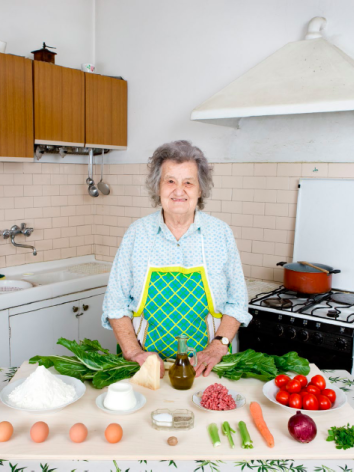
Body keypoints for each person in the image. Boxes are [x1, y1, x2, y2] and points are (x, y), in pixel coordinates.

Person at [101, 140, 250, 378]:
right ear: (157, 187)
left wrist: (217, 346)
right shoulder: (137, 234)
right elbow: (115, 304)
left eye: (188, 183)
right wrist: (133, 352)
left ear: (200, 190)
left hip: (206, 368)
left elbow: (237, 301)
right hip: (145, 369)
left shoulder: (220, 234)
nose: (179, 191)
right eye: (170, 181)